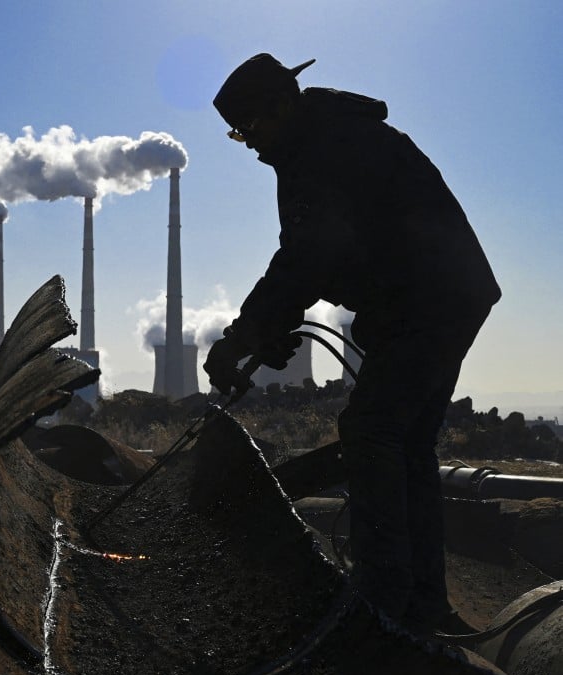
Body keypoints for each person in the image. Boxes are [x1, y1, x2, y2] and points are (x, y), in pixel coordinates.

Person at [203, 53, 500, 634]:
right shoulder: (321, 139)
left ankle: (382, 602)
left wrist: (243, 337)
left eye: (250, 128)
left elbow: (308, 256)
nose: (248, 144)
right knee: (407, 442)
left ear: (281, 106)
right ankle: (422, 603)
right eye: (238, 134)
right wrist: (267, 331)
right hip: (439, 297)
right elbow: (323, 255)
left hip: (431, 300)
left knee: (373, 430)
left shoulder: (326, 147)